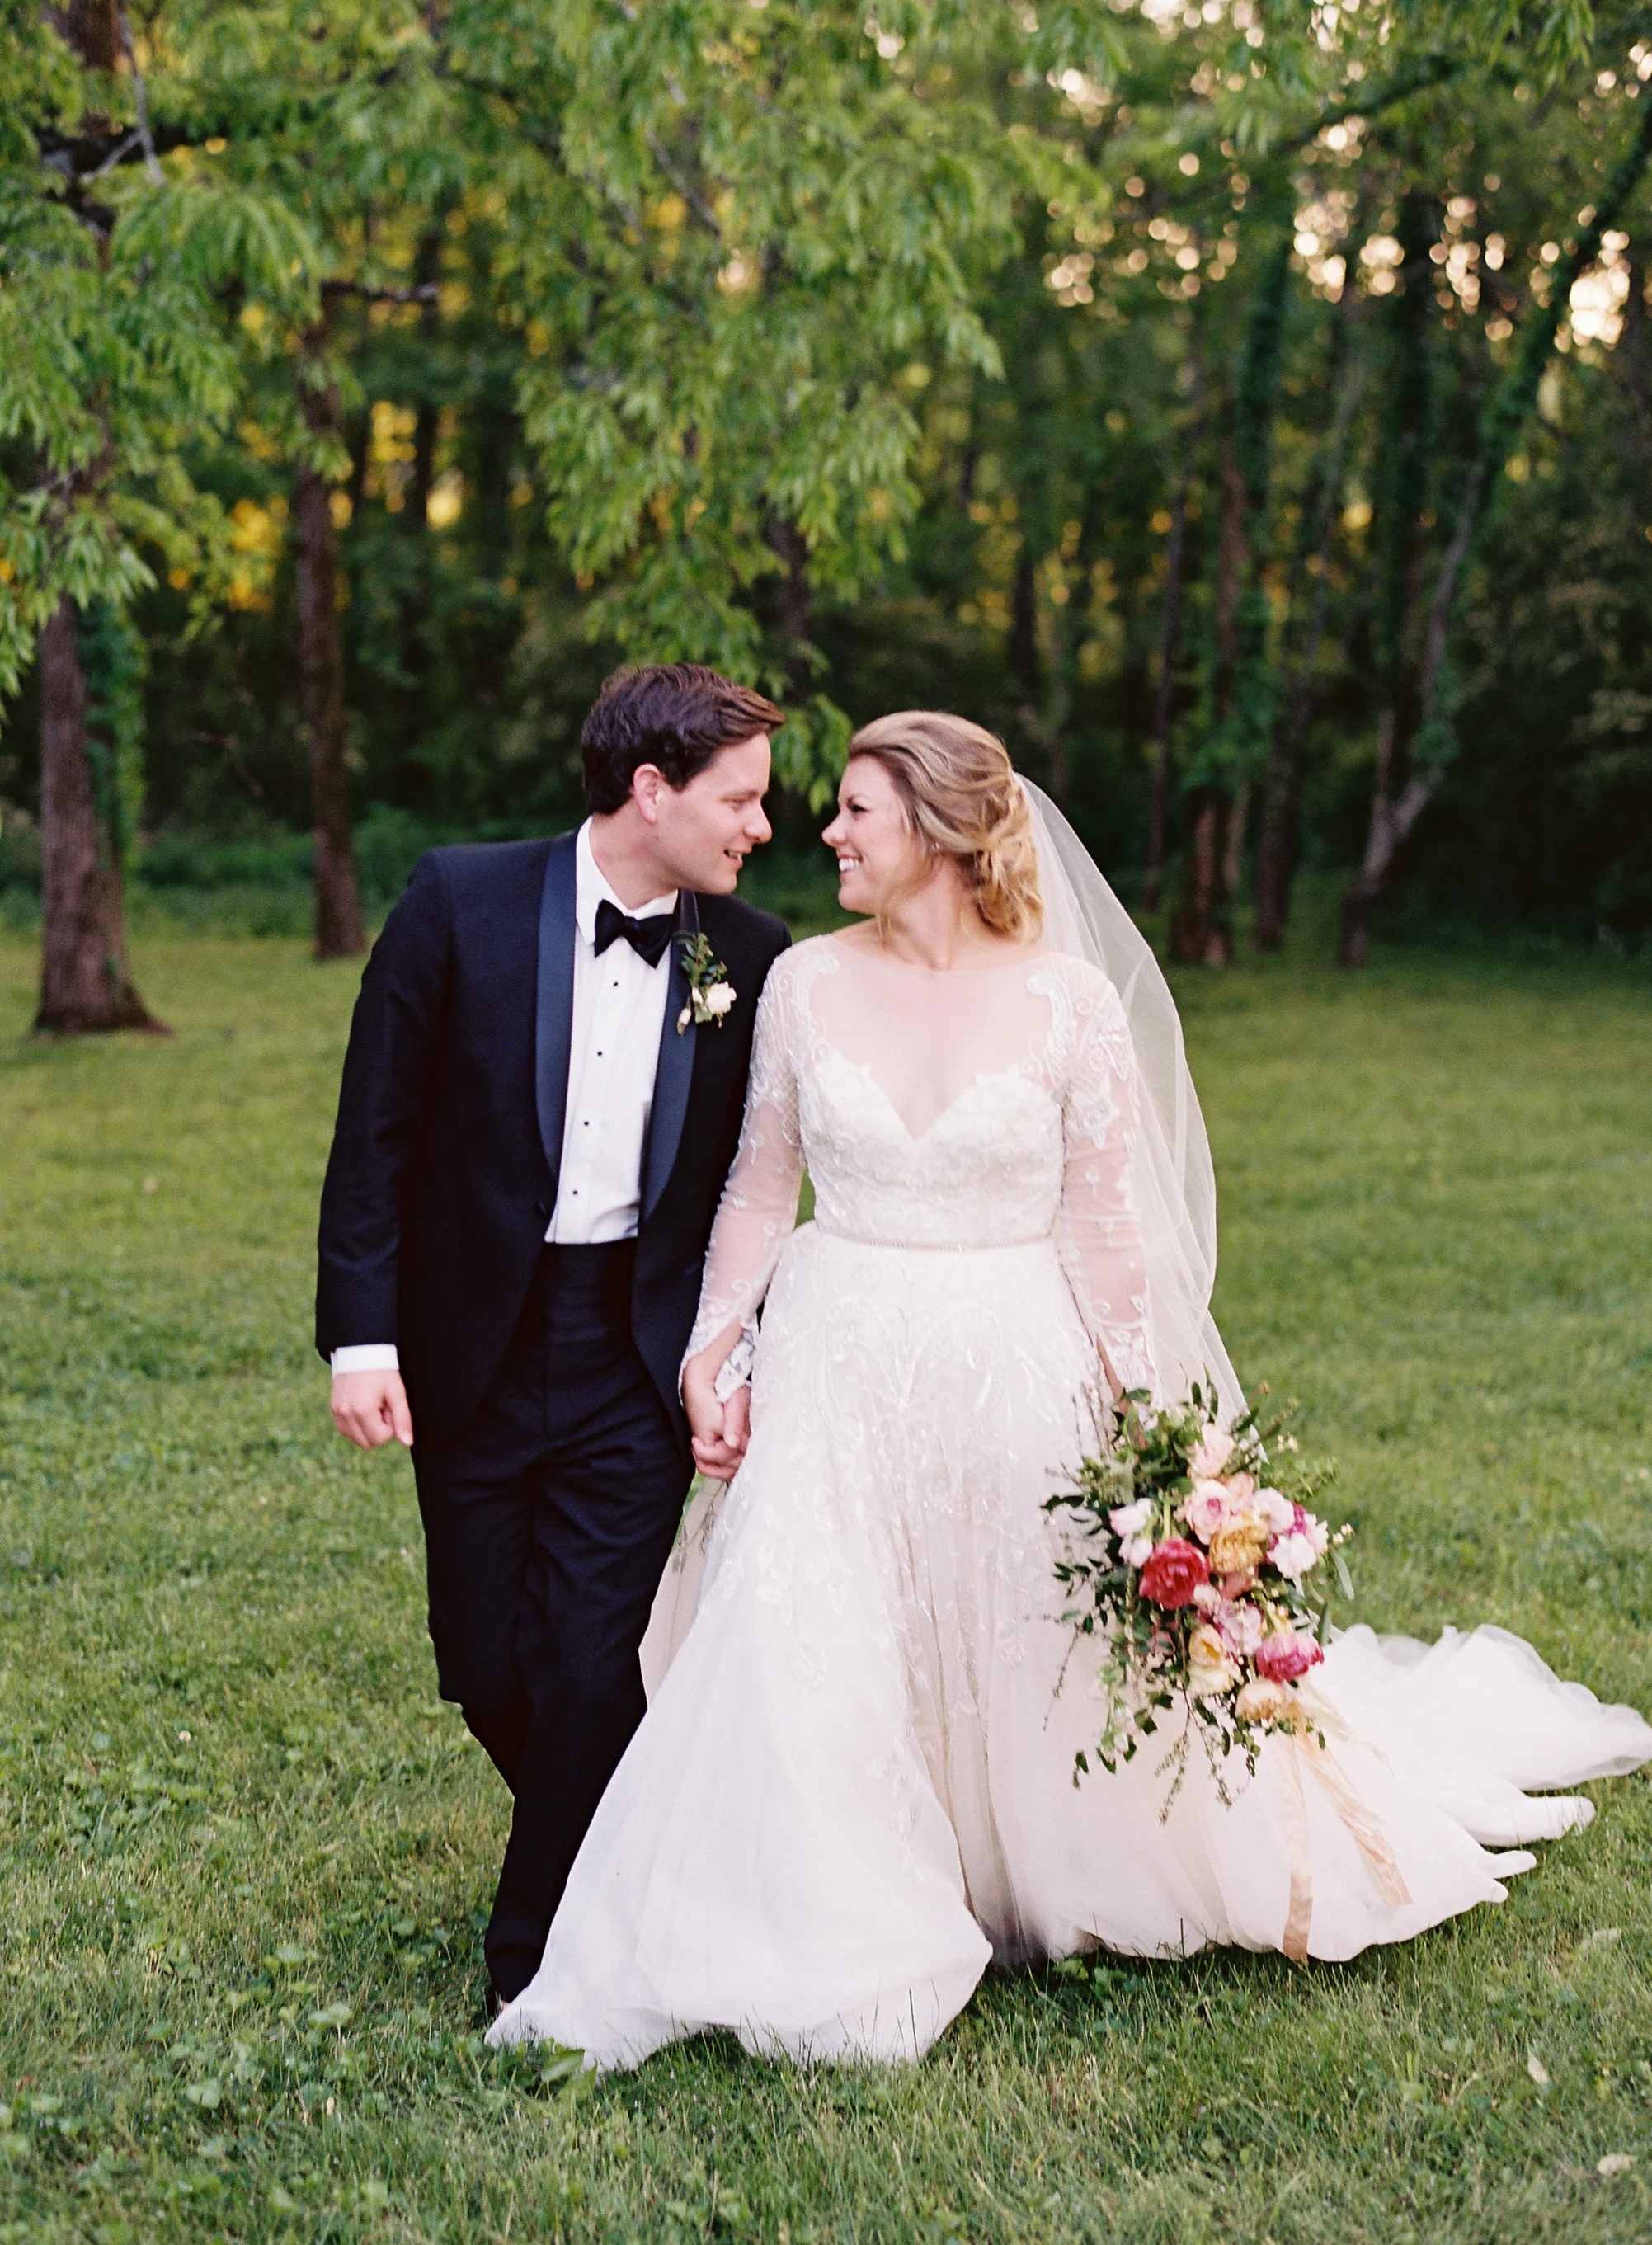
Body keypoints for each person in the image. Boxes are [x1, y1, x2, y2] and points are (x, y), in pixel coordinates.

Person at [488, 710, 1652, 2069]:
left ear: (932, 827)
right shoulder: (801, 982)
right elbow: (757, 1183)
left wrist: (1156, 1436)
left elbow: (1106, 1232)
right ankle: (821, 1893)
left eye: (856, 811)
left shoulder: (1066, 1003)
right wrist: (714, 1345)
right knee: (813, 1630)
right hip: (839, 1355)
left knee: (1023, 1617)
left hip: (1010, 1356)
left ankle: (1039, 1856)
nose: (828, 834)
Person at [315, 662, 789, 2009]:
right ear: (653, 789)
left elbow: (751, 1185)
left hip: (632, 1355)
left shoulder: (746, 956)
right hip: (469, 1341)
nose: (760, 826)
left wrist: (726, 1352)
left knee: (587, 1658)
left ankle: (537, 1958)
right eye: (740, 798)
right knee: (482, 1658)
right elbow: (375, 1139)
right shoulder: (456, 902)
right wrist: (362, 1337)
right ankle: (655, 1856)